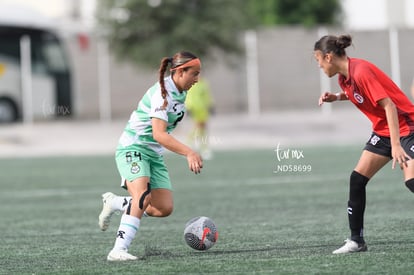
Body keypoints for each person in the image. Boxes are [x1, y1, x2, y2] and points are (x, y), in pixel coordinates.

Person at [314, 34, 414, 254]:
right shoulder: (345, 78)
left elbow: (389, 107)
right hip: (383, 130)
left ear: (328, 57)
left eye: (318, 60)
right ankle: (356, 241)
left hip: (407, 127)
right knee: (357, 179)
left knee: (411, 181)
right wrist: (337, 97)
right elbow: (359, 94)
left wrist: (396, 145)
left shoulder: (361, 71)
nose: (319, 66)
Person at [100, 51, 203, 261]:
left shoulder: (180, 91)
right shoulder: (162, 95)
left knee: (163, 208)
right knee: (142, 197)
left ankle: (116, 203)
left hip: (153, 154)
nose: (197, 79)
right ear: (180, 71)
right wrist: (189, 152)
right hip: (133, 148)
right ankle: (118, 250)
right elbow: (158, 134)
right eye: (194, 73)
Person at [185, 77, 214, 159]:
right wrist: (188, 107)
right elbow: (188, 96)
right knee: (198, 127)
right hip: (194, 109)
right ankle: (193, 146)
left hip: (203, 109)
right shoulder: (190, 83)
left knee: (202, 129)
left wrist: (211, 105)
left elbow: (207, 96)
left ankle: (202, 148)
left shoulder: (204, 84)